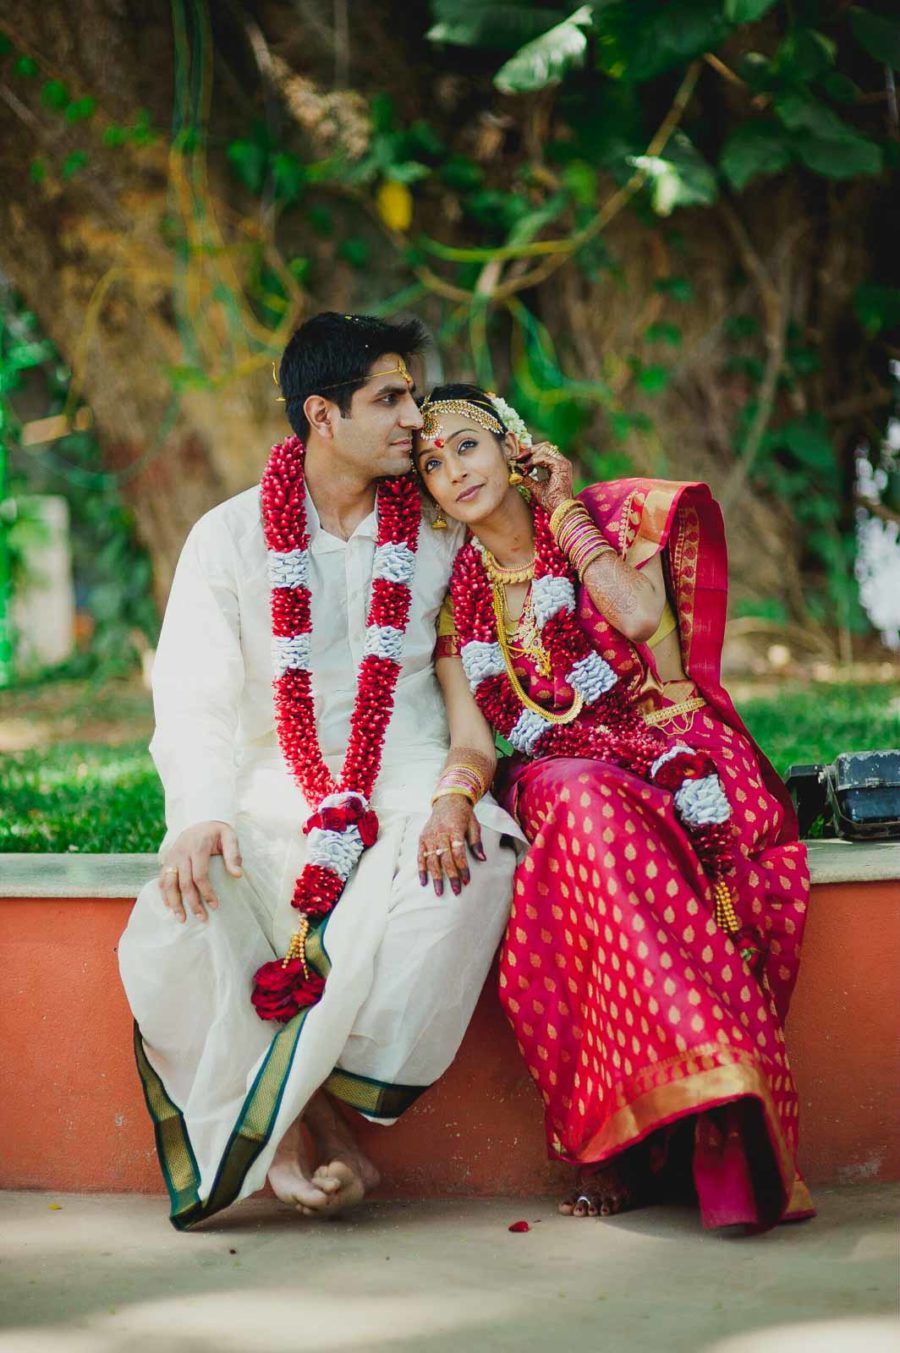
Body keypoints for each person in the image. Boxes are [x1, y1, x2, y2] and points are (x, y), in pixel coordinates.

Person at [118, 319, 519, 1231]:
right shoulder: (227, 538)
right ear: (322, 415)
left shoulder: (438, 534)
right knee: (185, 906)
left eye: (414, 395)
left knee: (474, 864)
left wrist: (457, 795)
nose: (416, 419)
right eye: (391, 398)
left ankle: (311, 1106)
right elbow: (194, 696)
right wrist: (199, 812)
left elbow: (482, 662)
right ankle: (299, 1125)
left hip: (411, 772)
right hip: (270, 789)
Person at [412, 383, 814, 1232]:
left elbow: (640, 615)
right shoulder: (459, 601)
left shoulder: (605, 524)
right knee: (575, 801)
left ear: (513, 448)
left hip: (676, 754)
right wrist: (452, 802)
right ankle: (695, 1102)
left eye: (468, 446)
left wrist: (564, 514)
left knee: (584, 810)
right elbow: (478, 743)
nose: (453, 471)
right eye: (432, 463)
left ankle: (663, 1128)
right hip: (566, 780)